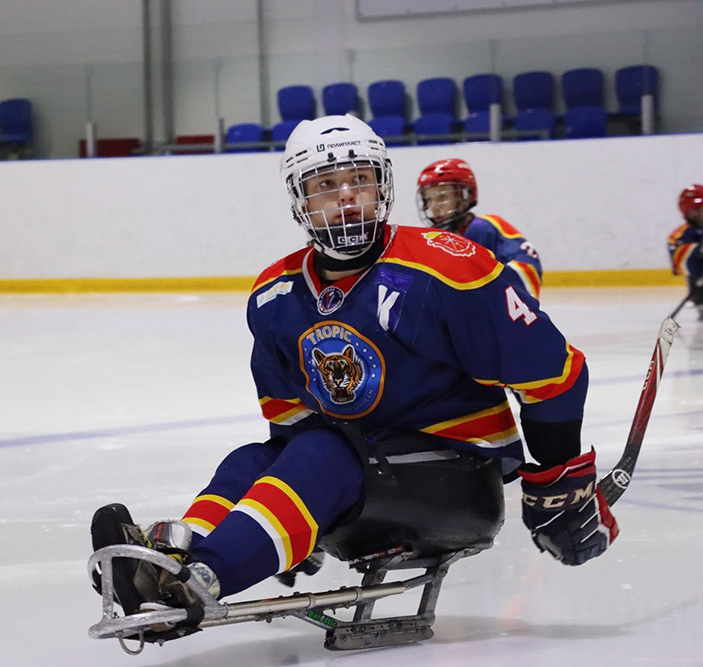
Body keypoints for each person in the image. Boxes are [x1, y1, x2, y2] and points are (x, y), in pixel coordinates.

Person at [91, 115, 617, 638]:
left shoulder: (449, 268)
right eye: (326, 185)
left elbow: (555, 373)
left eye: (359, 180)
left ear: (381, 186)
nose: (346, 197)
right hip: (365, 471)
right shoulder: (276, 292)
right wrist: (290, 521)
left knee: (323, 454)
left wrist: (558, 482)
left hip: (458, 480)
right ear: (300, 199)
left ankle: (200, 582)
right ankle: (167, 566)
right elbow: (290, 420)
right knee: (251, 460)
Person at [416, 158, 543, 298]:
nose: (433, 206)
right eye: (428, 199)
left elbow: (529, 271)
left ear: (465, 195)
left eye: (442, 197)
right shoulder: (438, 237)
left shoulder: (483, 228)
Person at [667, 184, 703, 320]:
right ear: (688, 211)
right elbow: (681, 265)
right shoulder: (681, 234)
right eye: (699, 209)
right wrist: (698, 251)